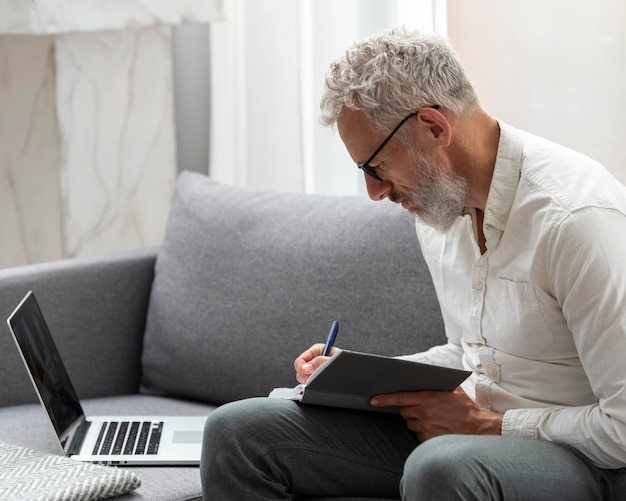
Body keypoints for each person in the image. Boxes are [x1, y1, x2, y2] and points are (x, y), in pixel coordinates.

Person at [200, 28, 626, 500]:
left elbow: (623, 428)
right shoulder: (438, 209)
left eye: (375, 167)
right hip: (467, 438)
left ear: (434, 127)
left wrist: (489, 427)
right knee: (236, 432)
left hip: (589, 462)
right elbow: (470, 352)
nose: (375, 192)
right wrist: (355, 376)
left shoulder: (577, 218)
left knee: (438, 466)